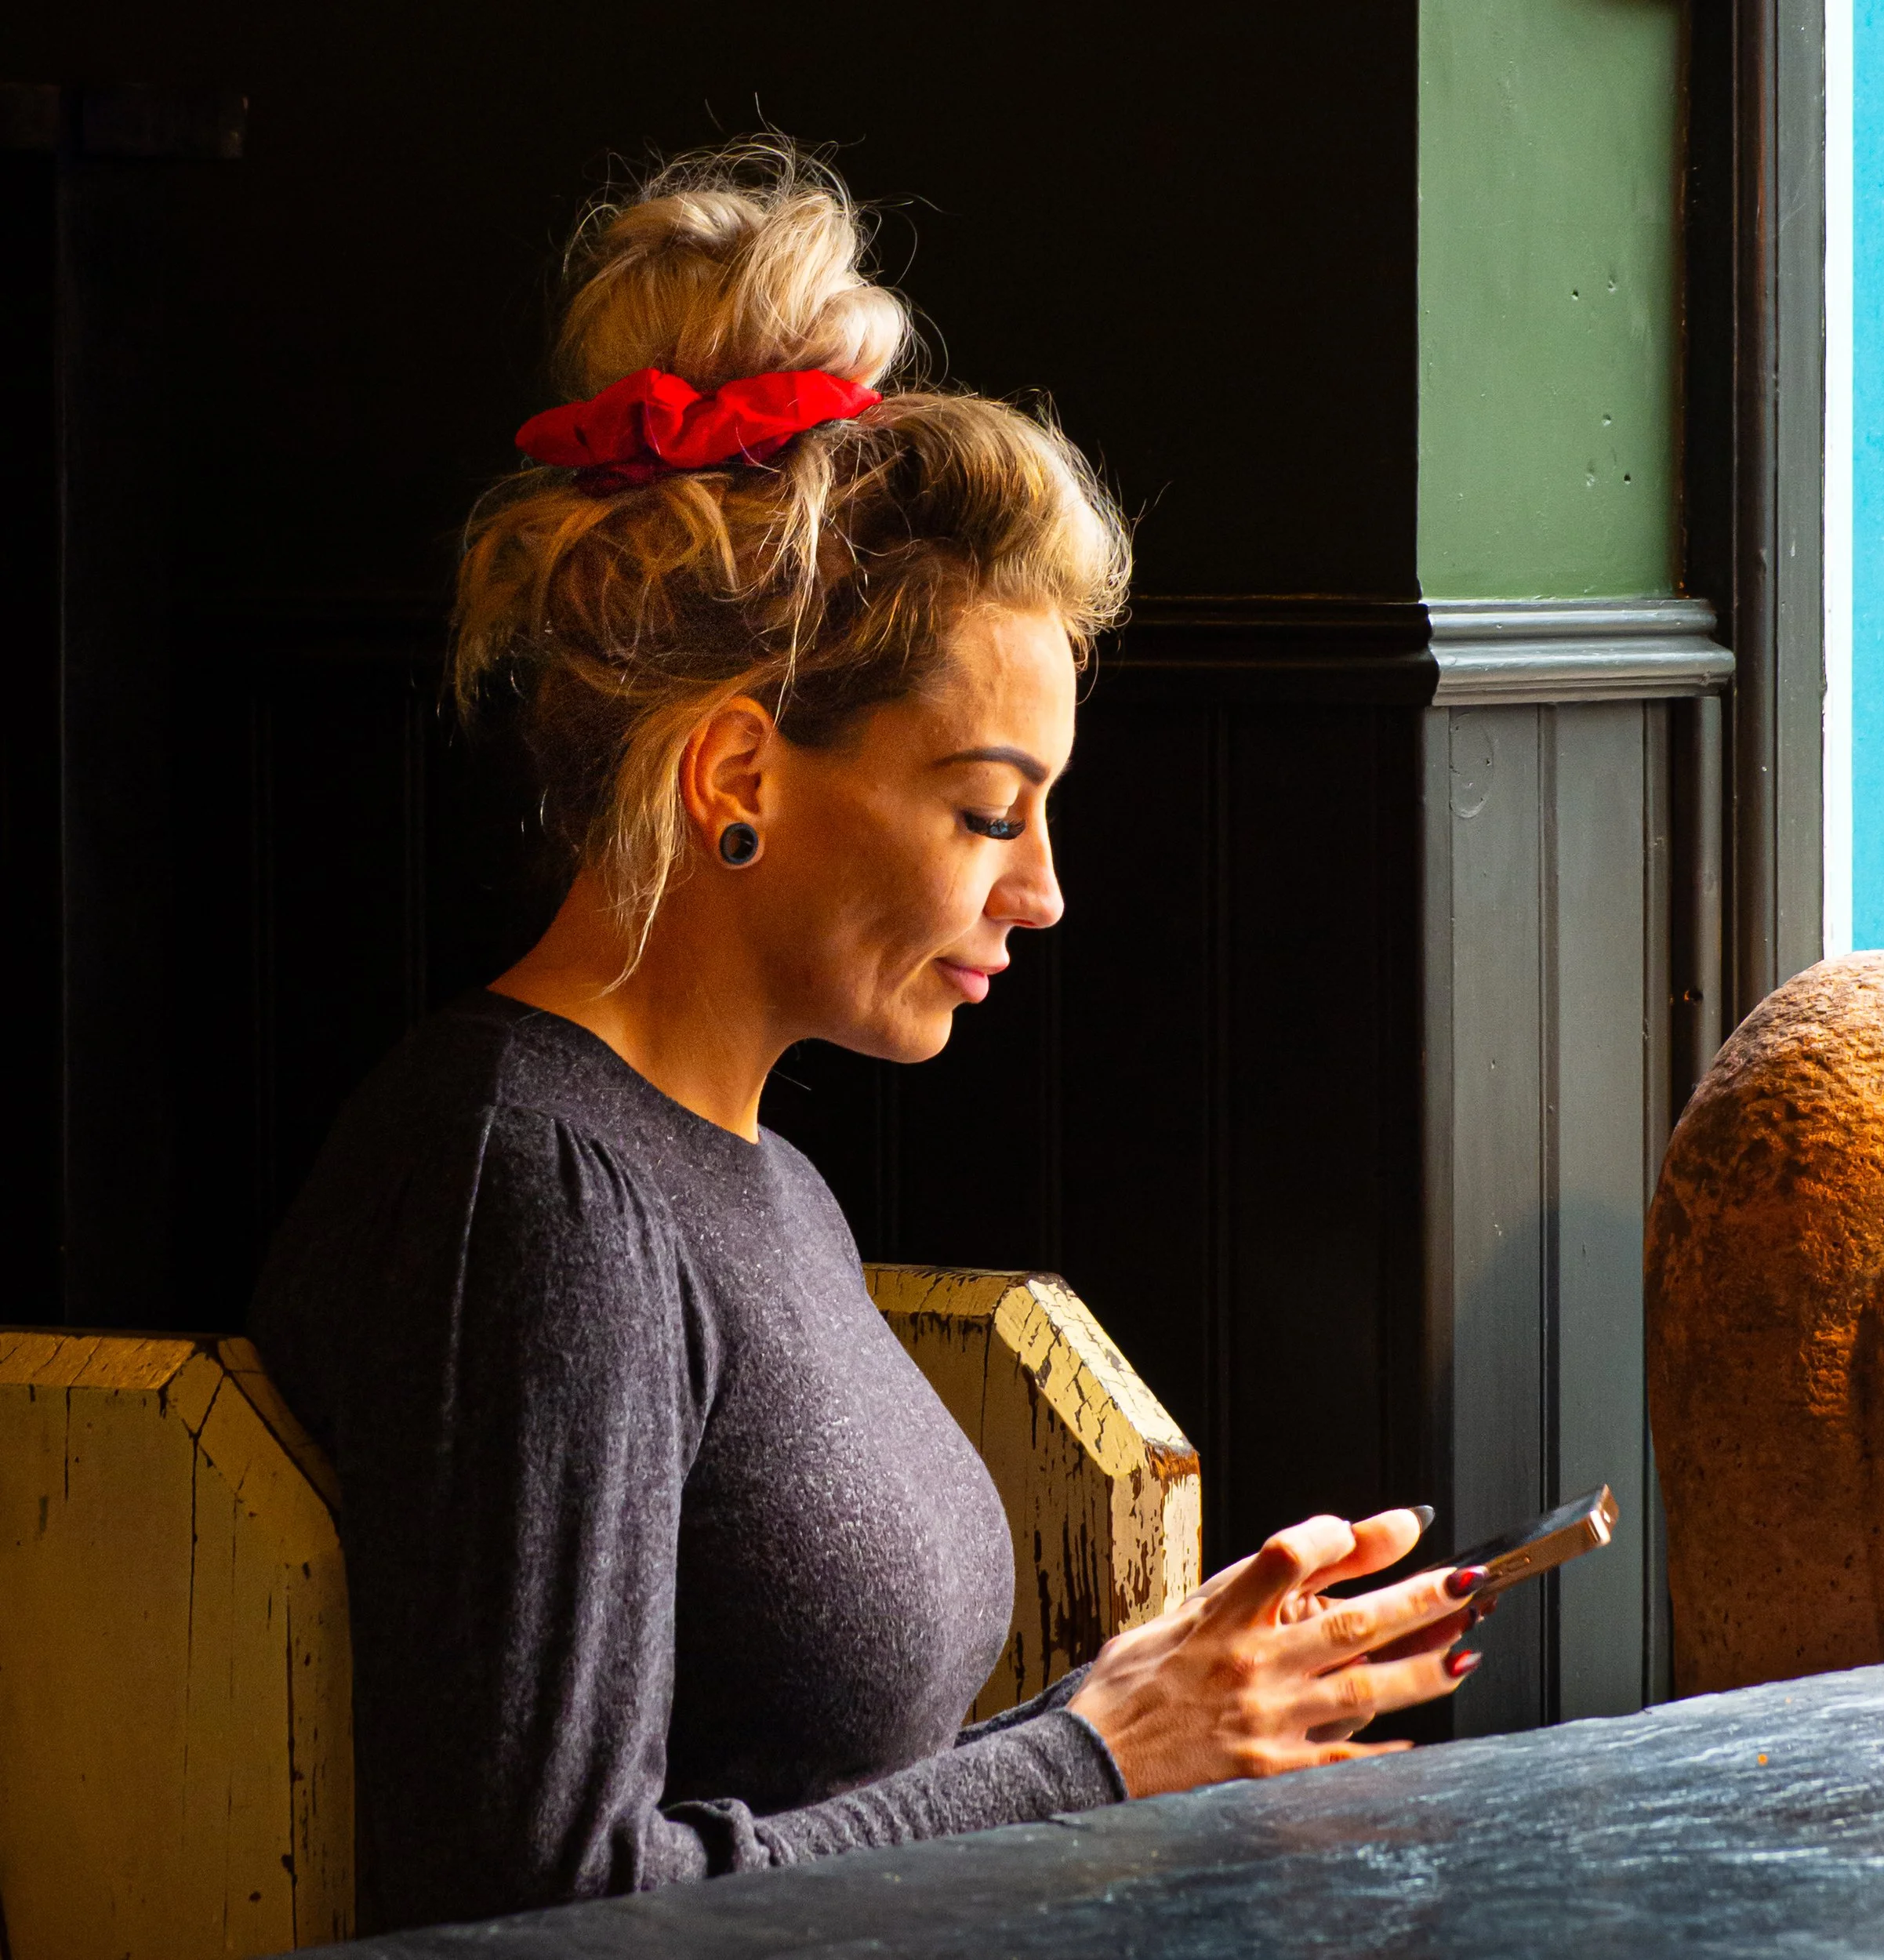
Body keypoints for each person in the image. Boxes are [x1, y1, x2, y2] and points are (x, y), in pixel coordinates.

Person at [249, 140, 1486, 1938]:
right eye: (989, 811)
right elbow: (535, 1900)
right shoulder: (531, 1187)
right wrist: (1095, 1754)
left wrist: (1144, 1709)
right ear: (736, 773)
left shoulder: (766, 1184)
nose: (1043, 889)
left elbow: (818, 1800)